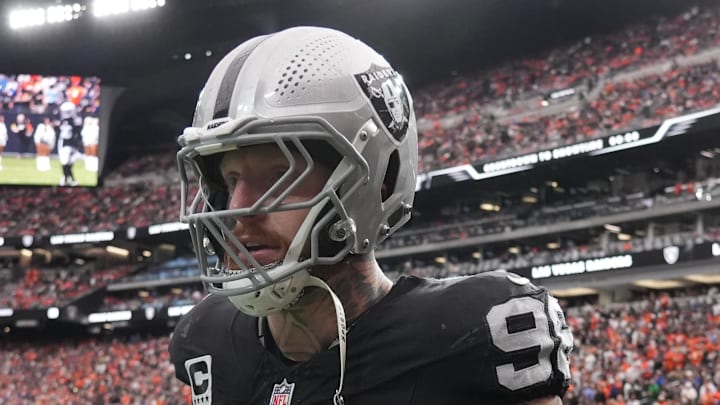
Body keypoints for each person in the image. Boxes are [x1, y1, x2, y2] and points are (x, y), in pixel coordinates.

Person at [169, 26, 573, 405]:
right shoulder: (208, 339)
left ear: (375, 182)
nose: (240, 209)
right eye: (230, 179)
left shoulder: (472, 335)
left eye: (280, 175)